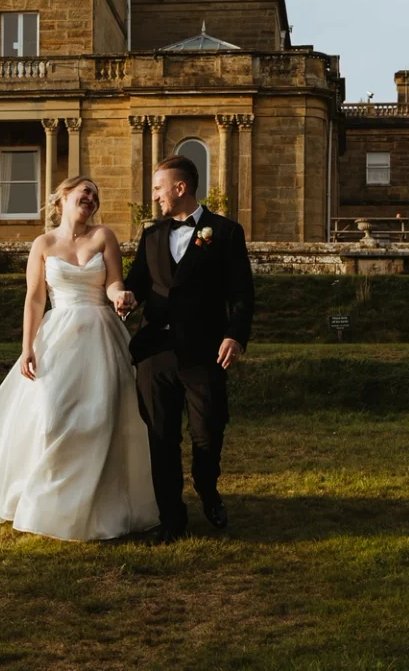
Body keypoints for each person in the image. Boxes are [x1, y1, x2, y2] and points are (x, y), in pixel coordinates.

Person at [0, 176, 159, 541]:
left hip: (100, 334)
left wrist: (119, 295)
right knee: (52, 416)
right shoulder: (43, 243)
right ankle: (49, 498)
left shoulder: (104, 236)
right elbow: (34, 297)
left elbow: (113, 282)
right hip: (58, 335)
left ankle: (99, 503)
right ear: (63, 197)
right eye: (85, 191)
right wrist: (27, 346)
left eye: (95, 195)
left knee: (103, 416)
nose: (91, 198)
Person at [124, 153, 255, 540]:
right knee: (160, 438)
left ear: (180, 188)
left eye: (158, 188)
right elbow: (136, 284)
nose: (154, 196)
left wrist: (235, 335)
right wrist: (125, 298)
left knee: (208, 433)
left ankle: (206, 487)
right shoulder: (151, 236)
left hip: (204, 350)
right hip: (155, 352)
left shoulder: (226, 232)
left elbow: (241, 293)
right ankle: (172, 520)